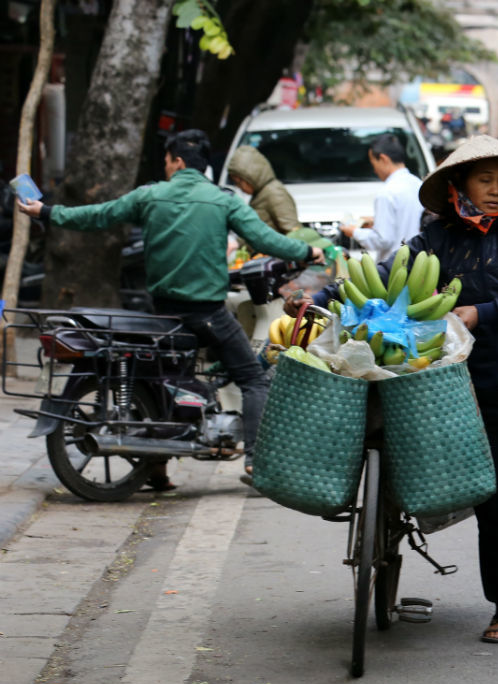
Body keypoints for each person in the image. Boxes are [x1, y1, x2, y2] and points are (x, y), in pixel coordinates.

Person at [297, 136, 498, 644]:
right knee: (494, 502)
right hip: (475, 389)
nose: (495, 191)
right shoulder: (435, 239)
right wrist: (321, 294)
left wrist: (478, 313)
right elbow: (385, 276)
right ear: (460, 185)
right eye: (484, 180)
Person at [17, 129, 322, 480]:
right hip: (205, 313)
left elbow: (98, 215)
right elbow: (265, 239)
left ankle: (157, 470)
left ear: (178, 161)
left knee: (166, 378)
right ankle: (256, 461)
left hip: (163, 312)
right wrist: (307, 251)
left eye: (166, 160)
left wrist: (47, 212)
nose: (165, 166)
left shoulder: (151, 196)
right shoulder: (223, 200)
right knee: (253, 379)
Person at [341, 133, 424, 262]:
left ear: (383, 159)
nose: (374, 170)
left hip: (395, 266)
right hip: (420, 262)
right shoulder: (418, 184)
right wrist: (376, 222)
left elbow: (383, 240)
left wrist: (354, 232)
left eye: (373, 163)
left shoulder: (387, 193)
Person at [225, 145, 301, 234]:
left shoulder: (274, 193)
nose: (239, 187)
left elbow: (293, 231)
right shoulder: (262, 193)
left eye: (239, 182)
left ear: (251, 177)